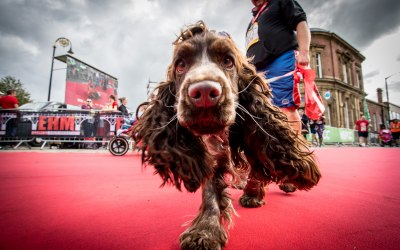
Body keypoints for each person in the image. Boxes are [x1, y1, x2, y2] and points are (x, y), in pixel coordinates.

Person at [245, 0, 311, 135]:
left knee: (285, 106)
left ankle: (294, 150)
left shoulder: (280, 2)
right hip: (257, 71)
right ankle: (274, 147)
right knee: (262, 110)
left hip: (280, 60)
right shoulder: (252, 20)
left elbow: (301, 21)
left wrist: (304, 52)